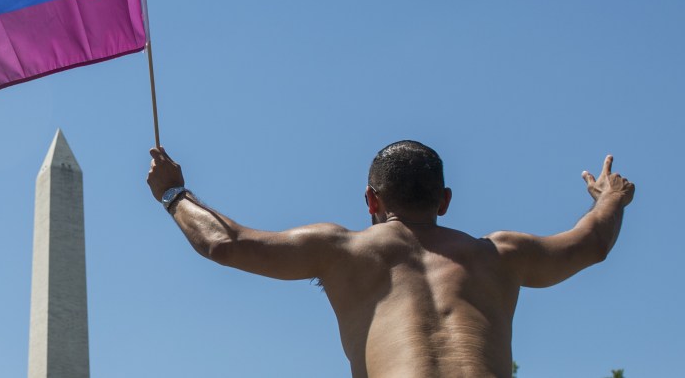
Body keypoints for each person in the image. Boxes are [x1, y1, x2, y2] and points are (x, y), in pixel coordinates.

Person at [146, 141, 635, 378]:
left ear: (370, 201)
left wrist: (173, 192)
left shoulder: (344, 250)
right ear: (444, 200)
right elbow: (591, 242)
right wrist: (609, 198)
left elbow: (223, 242)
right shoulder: (501, 254)